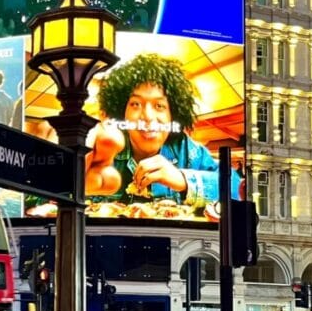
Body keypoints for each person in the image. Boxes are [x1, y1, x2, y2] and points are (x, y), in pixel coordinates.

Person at [86, 53, 241, 207]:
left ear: (172, 114)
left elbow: (235, 186)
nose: (147, 116)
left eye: (159, 106)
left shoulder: (186, 150)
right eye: (135, 104)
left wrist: (183, 180)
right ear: (122, 112)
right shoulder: (105, 147)